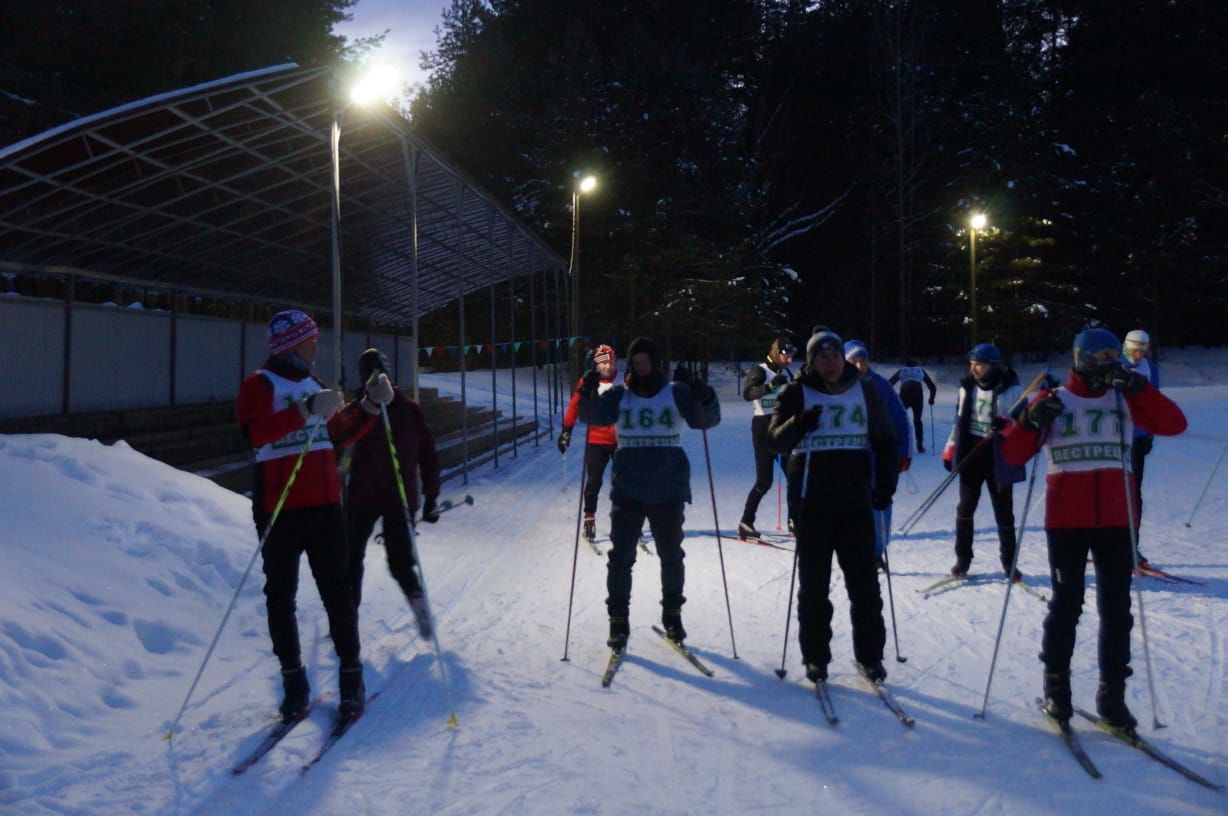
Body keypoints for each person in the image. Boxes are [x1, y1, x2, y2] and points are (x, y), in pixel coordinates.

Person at [1002, 327, 1186, 727]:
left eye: (1112, 356)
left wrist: (1138, 387)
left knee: (1118, 611)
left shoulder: (1125, 398)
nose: (1108, 364)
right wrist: (1031, 421)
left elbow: (1174, 423)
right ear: (1081, 359)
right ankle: (1057, 689)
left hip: (1118, 520)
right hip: (1067, 520)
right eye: (1099, 357)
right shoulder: (1055, 399)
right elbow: (1012, 453)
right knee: (1066, 607)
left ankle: (1112, 696)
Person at [236, 310, 389, 722]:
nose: (316, 349)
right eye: (311, 342)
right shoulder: (260, 384)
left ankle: (351, 675)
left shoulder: (313, 383)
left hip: (323, 506)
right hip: (279, 506)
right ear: (292, 345)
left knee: (338, 592)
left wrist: (370, 406)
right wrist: (303, 410)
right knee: (281, 595)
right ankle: (293, 680)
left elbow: (338, 433)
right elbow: (254, 433)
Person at [767, 328, 898, 683]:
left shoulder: (865, 390)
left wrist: (885, 485)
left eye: (835, 356)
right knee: (814, 589)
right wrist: (799, 423)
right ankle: (816, 658)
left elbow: (887, 440)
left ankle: (870, 657)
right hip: (811, 504)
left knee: (865, 587)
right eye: (822, 357)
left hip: (855, 501)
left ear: (844, 358)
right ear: (812, 361)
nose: (830, 363)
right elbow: (775, 442)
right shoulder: (796, 392)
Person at [579, 336, 721, 650]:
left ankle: (672, 615)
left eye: (646, 361)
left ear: (657, 363)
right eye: (636, 362)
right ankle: (618, 619)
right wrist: (587, 390)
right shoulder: (620, 395)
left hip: (668, 488)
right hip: (628, 488)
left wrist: (706, 396)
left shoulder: (677, 392)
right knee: (620, 558)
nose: (641, 367)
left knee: (671, 556)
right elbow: (591, 417)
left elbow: (706, 420)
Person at [343, 348, 441, 640]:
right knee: (399, 560)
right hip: (399, 494)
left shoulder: (358, 410)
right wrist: (431, 498)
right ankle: (415, 596)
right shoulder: (408, 407)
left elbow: (340, 441)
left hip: (365, 493)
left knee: (351, 557)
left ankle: (348, 616)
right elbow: (429, 455)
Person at [941, 343, 1025, 579]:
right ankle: (962, 560)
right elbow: (959, 422)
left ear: (993, 365)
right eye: (971, 364)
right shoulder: (966, 387)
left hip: (999, 457)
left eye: (979, 364)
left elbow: (1025, 426)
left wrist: (1007, 425)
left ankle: (1010, 563)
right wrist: (950, 450)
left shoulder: (1011, 389)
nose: (973, 369)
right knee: (965, 508)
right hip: (972, 454)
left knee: (1004, 512)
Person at [844, 340, 912, 567]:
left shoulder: (881, 386)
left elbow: (900, 420)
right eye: (853, 361)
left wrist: (903, 452)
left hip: (878, 457)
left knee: (879, 504)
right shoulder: (836, 385)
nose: (859, 365)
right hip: (849, 458)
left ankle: (876, 552)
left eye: (863, 360)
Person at [737, 335, 796, 540]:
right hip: (763, 427)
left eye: (791, 356)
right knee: (764, 481)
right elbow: (747, 393)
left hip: (781, 426)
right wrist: (770, 387)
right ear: (775, 353)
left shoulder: (786, 372)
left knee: (794, 477)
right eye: (786, 356)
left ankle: (794, 521)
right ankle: (746, 521)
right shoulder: (760, 370)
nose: (789, 360)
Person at [558, 344, 619, 542]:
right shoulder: (588, 381)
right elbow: (575, 405)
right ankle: (589, 518)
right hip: (596, 440)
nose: (607, 366)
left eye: (610, 362)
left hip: (621, 441)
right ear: (596, 364)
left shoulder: (624, 381)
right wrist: (566, 431)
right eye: (603, 363)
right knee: (594, 481)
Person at [1122, 329, 1161, 568]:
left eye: (1143, 351)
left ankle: (1131, 546)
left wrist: (1149, 434)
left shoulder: (1151, 370)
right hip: (1114, 438)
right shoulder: (1114, 365)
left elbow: (1155, 404)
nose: (1139, 355)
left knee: (1134, 493)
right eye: (1135, 350)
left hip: (1137, 438)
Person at [889, 359, 937, 452]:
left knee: (899, 419)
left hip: (904, 395)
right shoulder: (920, 370)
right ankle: (919, 445)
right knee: (917, 420)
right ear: (916, 365)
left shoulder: (902, 370)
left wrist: (891, 398)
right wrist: (931, 399)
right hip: (917, 395)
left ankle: (898, 443)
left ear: (905, 365)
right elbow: (932, 387)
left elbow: (889, 384)